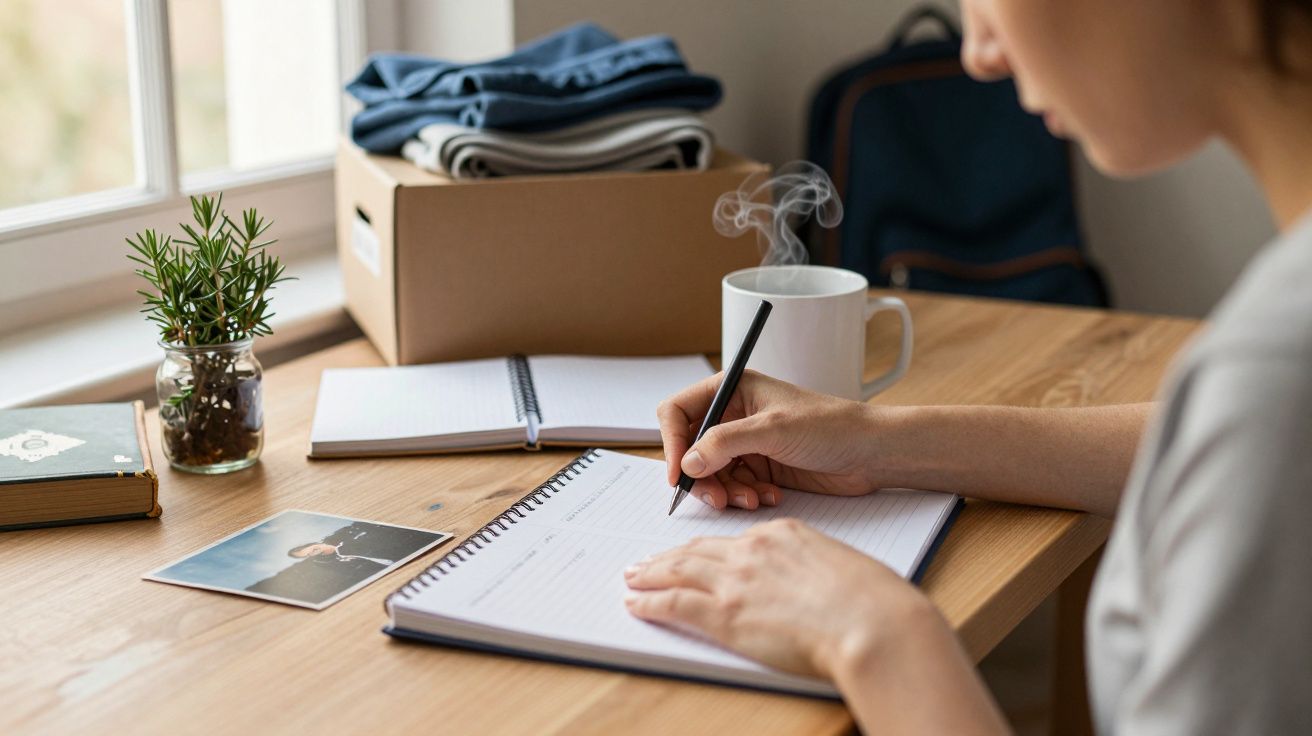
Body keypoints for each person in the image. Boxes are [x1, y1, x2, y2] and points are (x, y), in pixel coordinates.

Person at [622, 1, 1312, 733]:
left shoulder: (1273, 374)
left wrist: (880, 636)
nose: (980, 51)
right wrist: (874, 440)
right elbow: (1204, 447)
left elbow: (1258, 430)